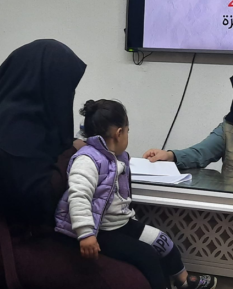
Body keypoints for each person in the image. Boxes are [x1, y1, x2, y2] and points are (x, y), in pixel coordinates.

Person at [0, 40, 150, 289]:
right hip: (5, 246)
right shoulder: (3, 141)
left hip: (43, 234)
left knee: (141, 259)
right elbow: (38, 198)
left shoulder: (34, 126)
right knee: (132, 282)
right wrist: (76, 155)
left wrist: (75, 149)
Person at [56, 99, 218, 289]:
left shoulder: (118, 157)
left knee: (163, 241)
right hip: (100, 231)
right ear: (119, 133)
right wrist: (85, 234)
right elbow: (78, 197)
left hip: (120, 223)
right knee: (147, 256)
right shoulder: (87, 160)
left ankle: (184, 281)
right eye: (128, 130)